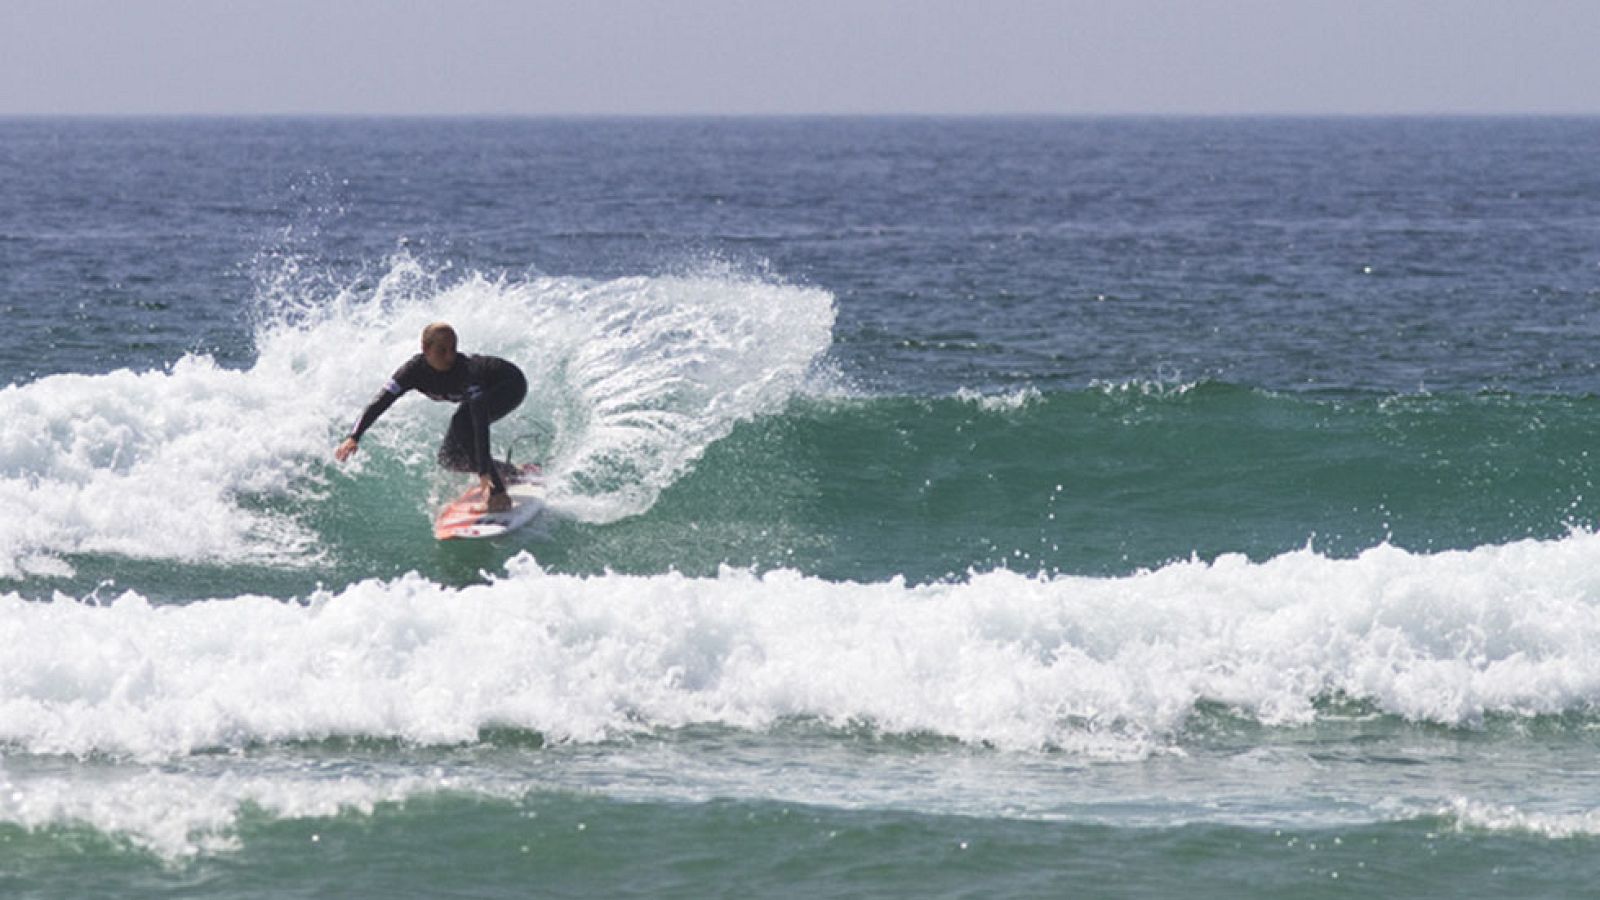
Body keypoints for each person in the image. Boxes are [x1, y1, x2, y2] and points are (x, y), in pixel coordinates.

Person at [335, 322, 527, 512]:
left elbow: (479, 423)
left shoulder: (467, 371)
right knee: (450, 458)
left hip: (510, 385)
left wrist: (484, 472)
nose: (450, 356)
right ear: (425, 348)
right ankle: (509, 472)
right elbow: (381, 401)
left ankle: (498, 496)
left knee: (464, 423)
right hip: (489, 392)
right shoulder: (412, 371)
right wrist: (354, 436)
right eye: (442, 350)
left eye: (453, 348)